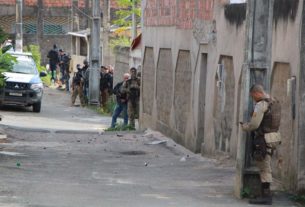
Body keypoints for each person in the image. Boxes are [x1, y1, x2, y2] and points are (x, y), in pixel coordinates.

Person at [241, 84, 281, 205]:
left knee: (264, 168)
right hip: (273, 138)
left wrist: (244, 127)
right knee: (266, 165)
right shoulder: (275, 102)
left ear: (257, 93)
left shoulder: (261, 104)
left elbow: (254, 125)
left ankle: (266, 197)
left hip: (263, 139)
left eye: (253, 96)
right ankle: (265, 195)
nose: (253, 98)